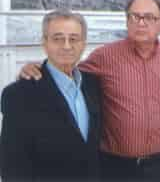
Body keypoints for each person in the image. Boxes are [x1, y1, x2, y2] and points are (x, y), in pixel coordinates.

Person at [19, 0, 160, 182]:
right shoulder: (104, 57)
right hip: (116, 168)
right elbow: (65, 71)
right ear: (127, 21)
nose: (141, 23)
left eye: (148, 17)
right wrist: (35, 68)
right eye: (134, 16)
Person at [0, 9, 101, 182]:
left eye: (74, 39)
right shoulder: (18, 95)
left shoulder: (94, 85)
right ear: (44, 42)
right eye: (57, 39)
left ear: (83, 44)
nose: (67, 46)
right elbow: (12, 168)